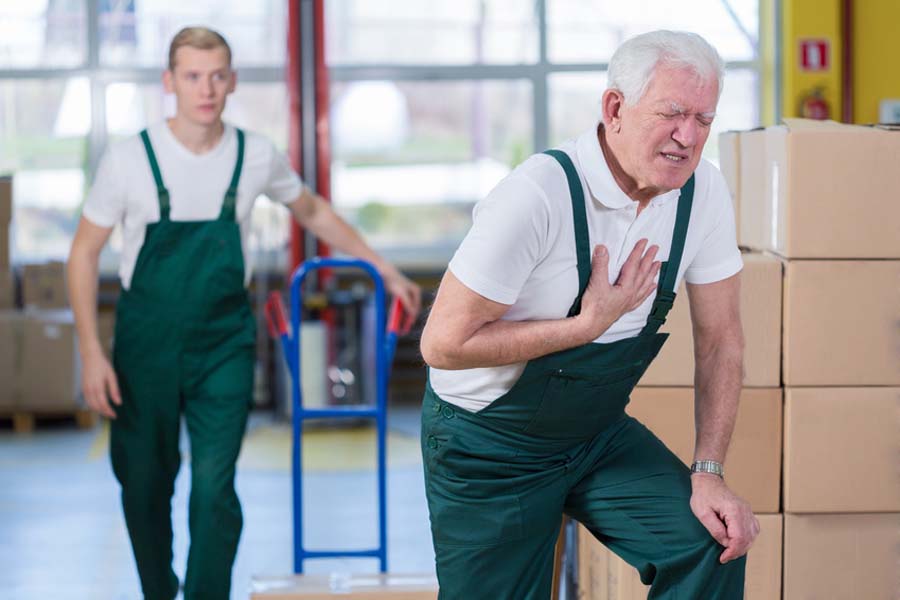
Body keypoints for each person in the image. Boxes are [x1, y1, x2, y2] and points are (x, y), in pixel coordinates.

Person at [67, 26, 421, 600]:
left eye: (216, 75)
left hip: (223, 345)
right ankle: (160, 590)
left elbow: (312, 210)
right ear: (169, 82)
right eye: (191, 76)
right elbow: (83, 252)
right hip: (145, 344)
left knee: (214, 485)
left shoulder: (254, 154)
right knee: (144, 482)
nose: (205, 89)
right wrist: (89, 351)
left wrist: (380, 265)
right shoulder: (130, 159)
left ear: (230, 81)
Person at [419, 30, 758, 599]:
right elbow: (443, 345)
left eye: (704, 118)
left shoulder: (703, 193)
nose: (688, 136)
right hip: (486, 446)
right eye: (672, 112)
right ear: (615, 108)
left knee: (709, 542)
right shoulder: (536, 195)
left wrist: (709, 473)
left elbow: (722, 340)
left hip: (593, 435)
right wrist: (583, 328)